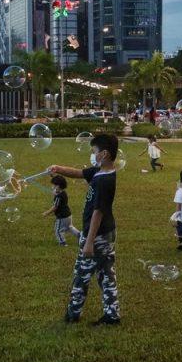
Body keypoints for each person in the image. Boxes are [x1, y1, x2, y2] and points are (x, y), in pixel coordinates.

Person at [50, 133, 121, 326]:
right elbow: (79, 173)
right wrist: (58, 169)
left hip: (96, 234)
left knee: (81, 273)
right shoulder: (101, 172)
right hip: (106, 233)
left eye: (94, 152)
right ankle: (112, 315)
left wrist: (88, 241)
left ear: (104, 154)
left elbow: (98, 212)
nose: (92, 155)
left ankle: (73, 312)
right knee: (106, 274)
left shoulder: (104, 181)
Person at [43, 175, 81, 246]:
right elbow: (58, 195)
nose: (53, 187)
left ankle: (62, 243)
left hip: (62, 217)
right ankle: (79, 235)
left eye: (54, 185)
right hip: (68, 215)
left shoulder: (58, 197)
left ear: (58, 186)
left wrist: (46, 213)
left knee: (58, 230)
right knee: (69, 227)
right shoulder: (63, 193)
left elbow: (55, 207)